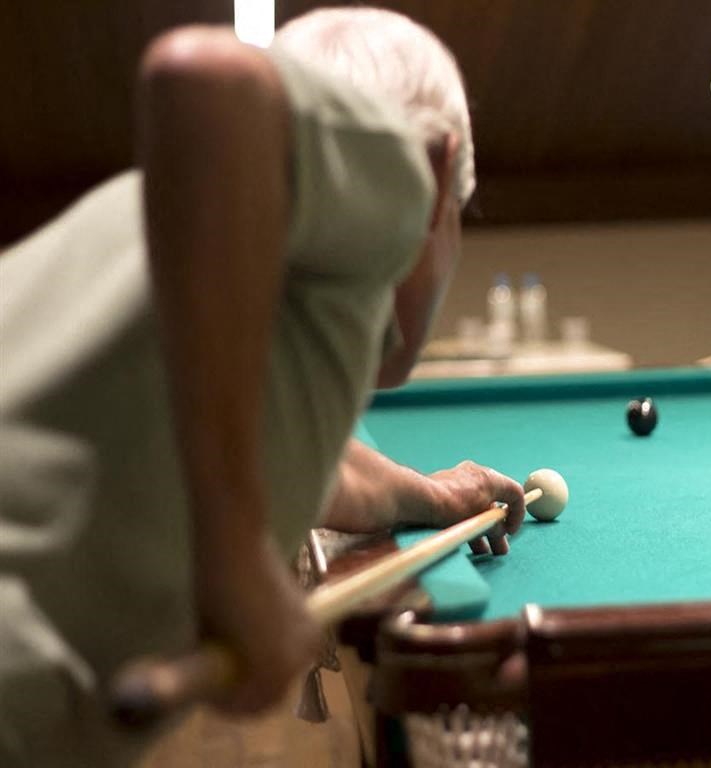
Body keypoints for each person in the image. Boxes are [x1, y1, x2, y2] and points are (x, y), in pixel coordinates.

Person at [0, 7, 525, 766]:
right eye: (458, 214)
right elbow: (204, 74)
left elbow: (301, 460)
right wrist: (240, 559)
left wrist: (435, 499)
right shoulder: (401, 165)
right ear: (440, 174)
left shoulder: (219, 263)